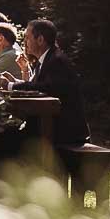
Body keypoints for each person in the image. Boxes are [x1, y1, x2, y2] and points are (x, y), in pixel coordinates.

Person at [19, 18, 89, 147]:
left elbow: (45, 88)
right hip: (51, 126)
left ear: (40, 40)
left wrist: (12, 86)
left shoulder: (56, 61)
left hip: (64, 131)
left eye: (27, 38)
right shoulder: (45, 60)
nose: (25, 42)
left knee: (8, 137)